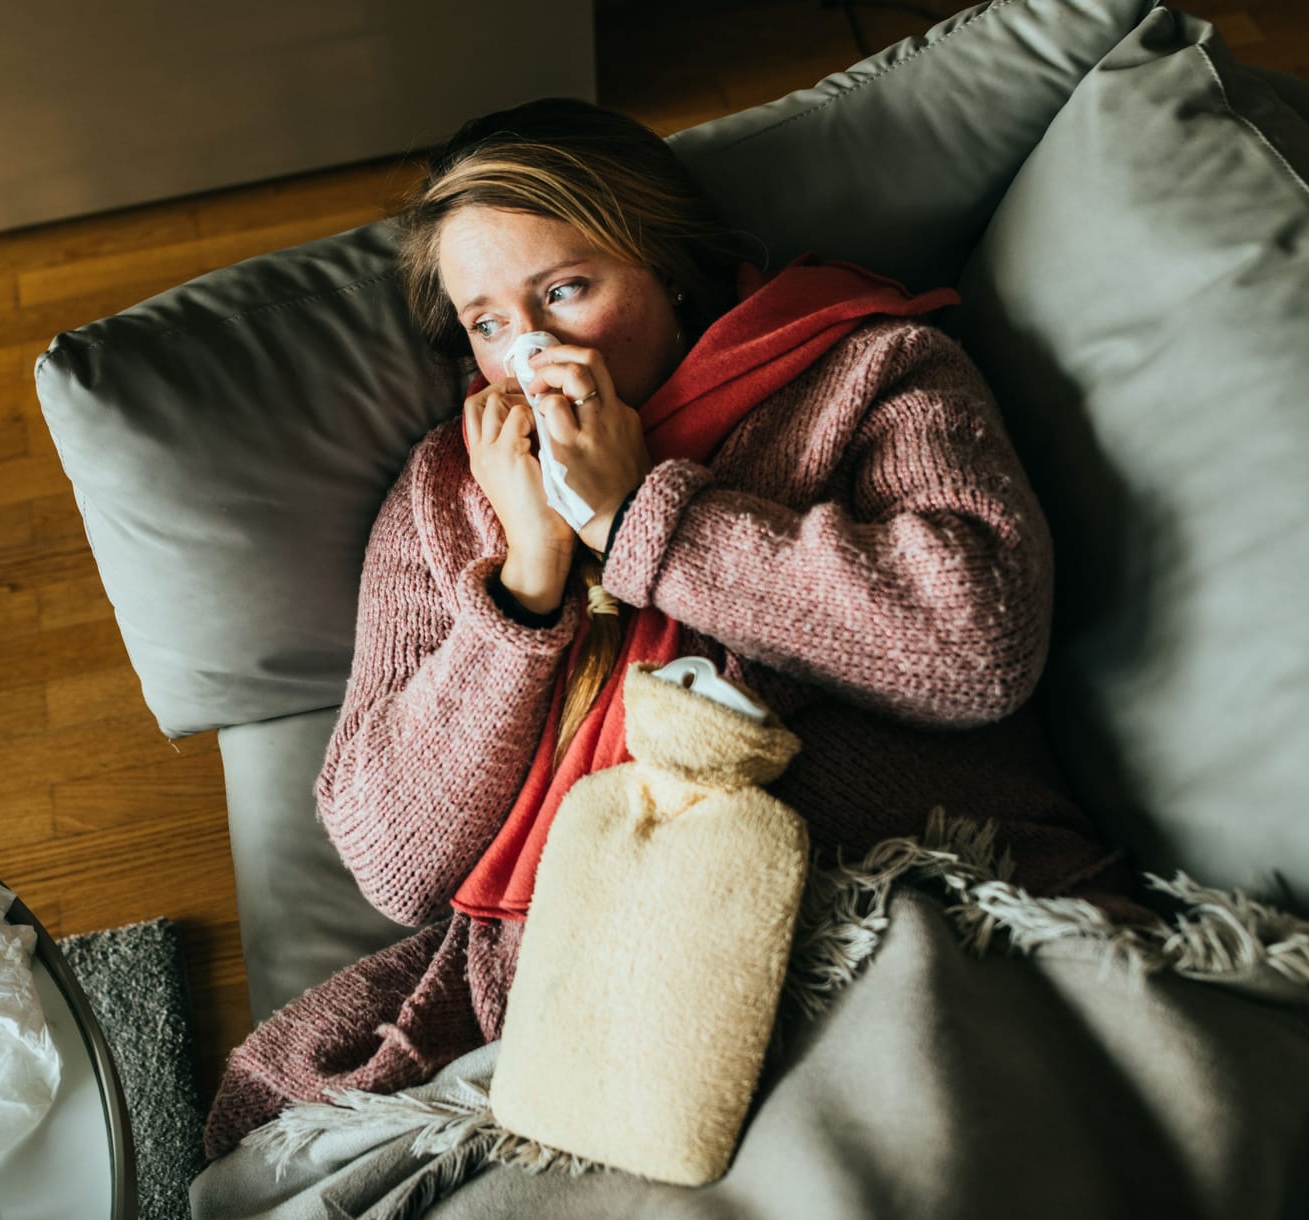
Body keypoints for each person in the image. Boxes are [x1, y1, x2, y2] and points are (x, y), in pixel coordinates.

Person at [201, 98, 1138, 1160]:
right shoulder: (447, 494)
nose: (531, 351)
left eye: (565, 290)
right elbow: (392, 855)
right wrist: (528, 577)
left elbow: (977, 648)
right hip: (581, 981)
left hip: (888, 901)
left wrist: (643, 517)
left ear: (669, 266)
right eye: (489, 322)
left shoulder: (869, 370)